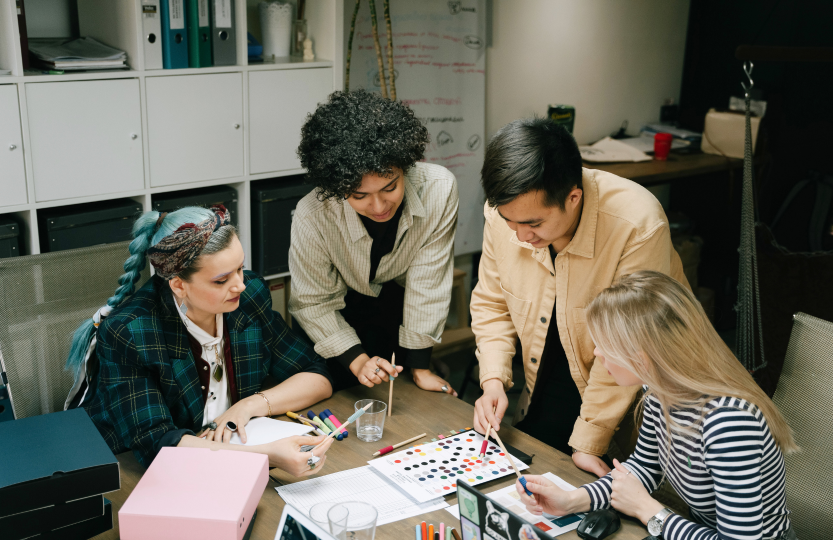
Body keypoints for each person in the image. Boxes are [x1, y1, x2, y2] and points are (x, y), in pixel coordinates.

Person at [471, 117, 689, 475]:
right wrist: (493, 379)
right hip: (545, 377)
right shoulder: (507, 212)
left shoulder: (637, 224)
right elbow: (492, 303)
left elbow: (629, 347)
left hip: (631, 397)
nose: (521, 235)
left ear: (573, 197)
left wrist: (590, 439)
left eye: (534, 224)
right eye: (511, 222)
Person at [515, 271, 798, 540]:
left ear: (642, 358)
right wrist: (572, 500)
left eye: (604, 344)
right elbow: (645, 467)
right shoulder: (658, 391)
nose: (596, 353)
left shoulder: (729, 425)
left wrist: (648, 510)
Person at [68, 206, 334, 478]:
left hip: (225, 456)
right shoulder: (131, 332)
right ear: (179, 286)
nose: (240, 285)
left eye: (240, 268)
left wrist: (246, 407)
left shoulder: (248, 297)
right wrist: (268, 455)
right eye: (221, 280)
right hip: (136, 474)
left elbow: (317, 376)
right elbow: (158, 445)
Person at [289, 89, 459, 396]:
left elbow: (428, 282)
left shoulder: (439, 189)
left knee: (400, 402)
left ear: (405, 166)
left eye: (390, 187)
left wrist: (420, 367)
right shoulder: (312, 215)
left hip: (394, 309)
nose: (379, 206)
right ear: (338, 188)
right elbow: (313, 301)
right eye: (359, 196)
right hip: (332, 321)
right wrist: (356, 360)